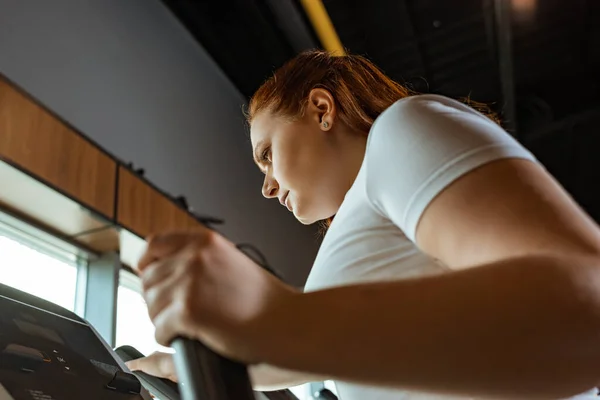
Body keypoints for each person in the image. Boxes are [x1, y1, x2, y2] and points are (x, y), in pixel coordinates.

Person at [126, 50, 600, 399]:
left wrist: (276, 318)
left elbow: (588, 308)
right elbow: (300, 354)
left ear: (321, 108)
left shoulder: (403, 127)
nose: (267, 187)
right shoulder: (362, 212)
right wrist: (175, 365)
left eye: (268, 154)